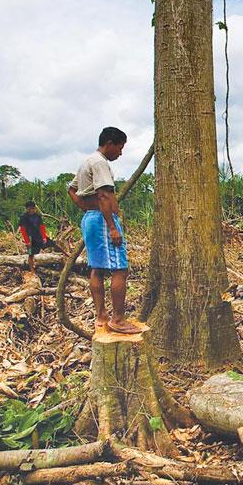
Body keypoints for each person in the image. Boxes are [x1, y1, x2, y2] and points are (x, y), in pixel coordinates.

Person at [68, 126, 144, 335]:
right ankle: (117, 319)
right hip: (102, 220)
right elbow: (103, 195)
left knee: (98, 269)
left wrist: (85, 207)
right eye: (120, 147)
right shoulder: (100, 162)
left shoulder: (88, 161)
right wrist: (112, 227)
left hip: (91, 219)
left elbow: (72, 189)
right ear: (109, 144)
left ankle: (102, 317)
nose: (120, 152)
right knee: (120, 269)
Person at [17, 201, 65, 272]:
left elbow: (41, 226)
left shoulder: (37, 216)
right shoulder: (23, 217)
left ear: (35, 208)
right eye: (29, 209)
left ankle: (66, 257)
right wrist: (27, 241)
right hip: (30, 238)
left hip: (39, 236)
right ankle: (32, 269)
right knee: (31, 254)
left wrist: (44, 237)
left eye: (33, 209)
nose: (31, 210)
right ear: (26, 209)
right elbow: (23, 230)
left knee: (54, 244)